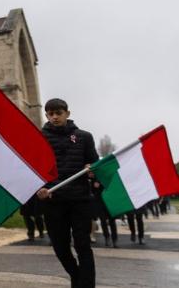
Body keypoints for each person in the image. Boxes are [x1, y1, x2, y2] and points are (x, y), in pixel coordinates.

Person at [35, 98, 99, 288]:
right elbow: (34, 168)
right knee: (60, 247)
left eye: (58, 113)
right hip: (53, 201)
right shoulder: (39, 137)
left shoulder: (84, 137)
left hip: (80, 200)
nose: (55, 117)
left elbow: (94, 163)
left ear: (67, 114)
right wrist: (39, 188)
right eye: (51, 114)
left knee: (83, 245)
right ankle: (76, 276)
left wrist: (91, 168)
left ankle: (86, 284)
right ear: (46, 115)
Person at [91, 180, 117, 248]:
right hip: (100, 204)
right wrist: (95, 187)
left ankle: (114, 240)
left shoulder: (110, 180)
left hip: (110, 203)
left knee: (112, 222)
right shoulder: (96, 180)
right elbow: (93, 193)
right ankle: (107, 237)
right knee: (103, 221)